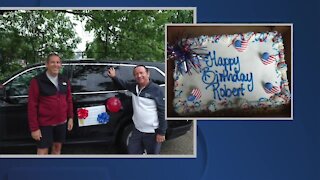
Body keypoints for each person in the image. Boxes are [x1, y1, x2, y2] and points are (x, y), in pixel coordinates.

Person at [107, 65, 167, 154]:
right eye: (136, 74)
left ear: (148, 74)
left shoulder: (156, 90)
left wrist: (162, 132)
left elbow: (163, 112)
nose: (139, 76)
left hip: (152, 132)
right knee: (133, 153)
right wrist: (114, 77)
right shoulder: (134, 87)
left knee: (153, 157)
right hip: (137, 130)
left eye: (141, 73)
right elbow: (123, 83)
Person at [28, 53, 73, 155]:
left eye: (58, 62)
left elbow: (69, 100)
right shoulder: (37, 81)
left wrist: (70, 117)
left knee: (57, 148)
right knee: (43, 150)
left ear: (60, 65)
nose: (55, 65)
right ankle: (41, 171)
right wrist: (34, 128)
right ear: (47, 64)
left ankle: (53, 170)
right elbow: (32, 106)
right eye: (52, 62)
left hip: (61, 123)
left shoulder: (64, 80)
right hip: (44, 124)